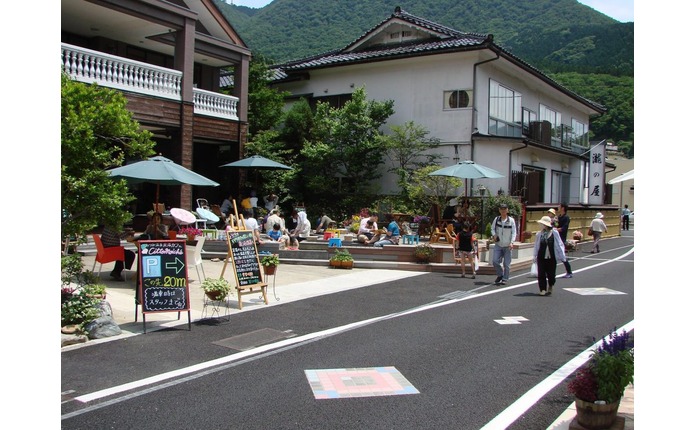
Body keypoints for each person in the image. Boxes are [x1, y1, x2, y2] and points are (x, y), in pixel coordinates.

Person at [533, 216, 567, 296]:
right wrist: (534, 256)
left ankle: (551, 284)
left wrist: (562, 255)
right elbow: (536, 246)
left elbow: (559, 244)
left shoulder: (554, 233)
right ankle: (542, 289)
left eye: (542, 224)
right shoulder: (539, 234)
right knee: (541, 273)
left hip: (551, 257)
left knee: (551, 274)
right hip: (541, 256)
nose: (541, 225)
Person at [490, 203, 517, 285]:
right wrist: (494, 235)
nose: (503, 211)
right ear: (499, 210)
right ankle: (500, 274)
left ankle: (505, 278)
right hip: (498, 244)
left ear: (507, 210)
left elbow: (514, 232)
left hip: (507, 245)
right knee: (495, 261)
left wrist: (512, 242)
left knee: (506, 264)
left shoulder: (511, 220)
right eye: (501, 209)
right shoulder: (497, 219)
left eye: (505, 209)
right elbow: (492, 229)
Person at [556, 203, 573, 278]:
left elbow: (564, 228)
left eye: (559, 206)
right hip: (555, 238)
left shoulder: (566, 217)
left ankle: (569, 272)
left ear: (563, 208)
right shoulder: (558, 217)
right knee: (552, 256)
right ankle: (550, 272)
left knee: (562, 256)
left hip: (561, 239)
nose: (558, 207)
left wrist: (555, 229)